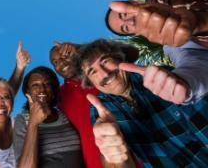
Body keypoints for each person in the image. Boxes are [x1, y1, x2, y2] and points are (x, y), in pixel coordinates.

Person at [76, 39, 208, 166]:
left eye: (105, 61)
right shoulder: (101, 109)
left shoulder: (157, 75)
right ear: (91, 83)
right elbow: (118, 164)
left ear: (120, 58)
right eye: (92, 71)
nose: (104, 73)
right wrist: (114, 157)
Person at [13, 66, 85, 168]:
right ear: (27, 92)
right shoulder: (22, 120)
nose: (42, 90)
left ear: (54, 89)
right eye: (35, 85)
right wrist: (33, 123)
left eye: (47, 84)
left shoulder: (63, 114)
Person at [106, 0, 208, 48]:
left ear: (134, 2)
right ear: (136, 34)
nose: (131, 21)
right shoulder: (187, 47)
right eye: (126, 28)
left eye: (124, 15)